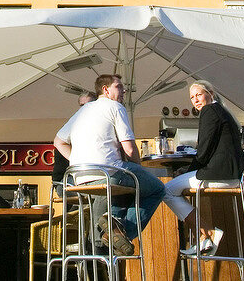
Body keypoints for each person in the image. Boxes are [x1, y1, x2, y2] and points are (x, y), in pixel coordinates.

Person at [54, 74, 166, 255]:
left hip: (79, 178)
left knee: (124, 190)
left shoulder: (82, 110)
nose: (123, 90)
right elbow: (129, 149)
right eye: (119, 86)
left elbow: (58, 142)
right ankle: (122, 233)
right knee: (157, 189)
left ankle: (112, 222)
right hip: (108, 173)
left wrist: (78, 161)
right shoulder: (116, 107)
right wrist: (139, 170)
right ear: (105, 89)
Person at [164, 81, 244, 254]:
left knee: (167, 191)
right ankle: (204, 237)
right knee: (176, 186)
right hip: (234, 176)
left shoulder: (209, 111)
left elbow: (203, 151)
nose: (195, 100)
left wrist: (187, 172)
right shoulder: (224, 112)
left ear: (210, 93)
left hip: (219, 175)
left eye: (198, 95)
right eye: (192, 97)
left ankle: (207, 232)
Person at [51, 91, 97, 186]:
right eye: (82, 105)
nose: (85, 107)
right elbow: (58, 142)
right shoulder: (72, 127)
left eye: (88, 104)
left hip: (90, 176)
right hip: (65, 180)